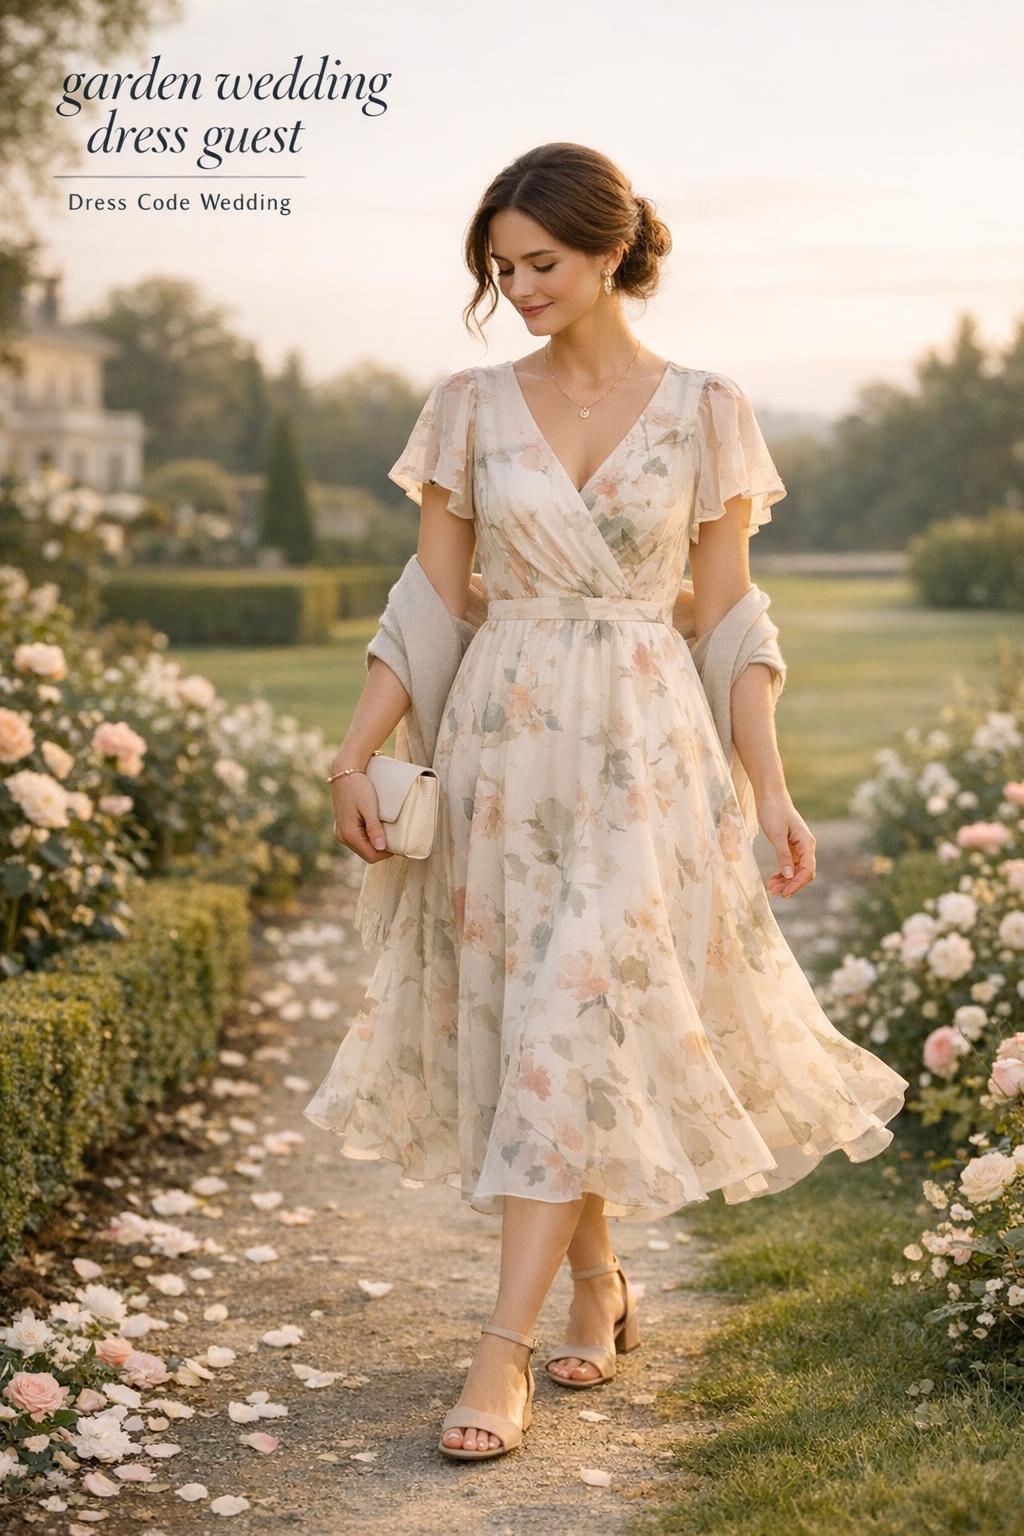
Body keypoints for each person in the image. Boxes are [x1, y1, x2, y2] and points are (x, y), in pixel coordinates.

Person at [304, 141, 910, 1462]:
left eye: (544, 263)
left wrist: (771, 786)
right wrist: (356, 755)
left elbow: (730, 612)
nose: (519, 288)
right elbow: (428, 602)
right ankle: (596, 1282)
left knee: (574, 1010)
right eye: (501, 268)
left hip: (648, 751)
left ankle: (500, 1351)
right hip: (504, 753)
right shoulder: (467, 407)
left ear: (614, 251)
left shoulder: (705, 409)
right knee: (543, 1027)